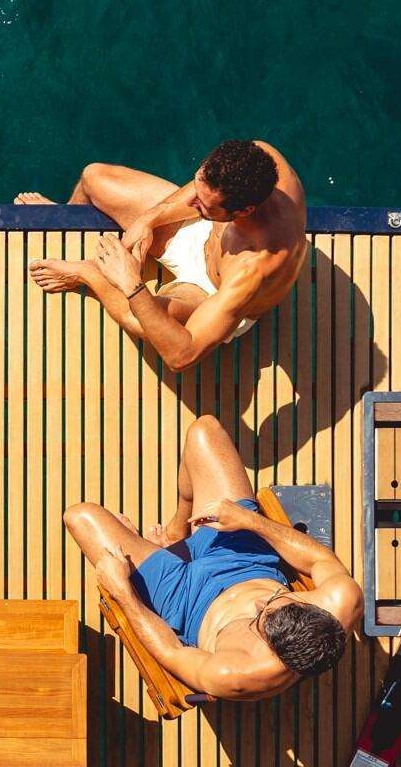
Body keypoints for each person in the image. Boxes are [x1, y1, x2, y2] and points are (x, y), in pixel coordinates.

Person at [62, 414, 358, 702]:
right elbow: (319, 559)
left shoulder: (236, 674)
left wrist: (123, 592)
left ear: (277, 655)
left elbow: (172, 652)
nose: (258, 603)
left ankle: (161, 549)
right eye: (275, 599)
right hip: (246, 559)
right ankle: (178, 528)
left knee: (80, 517)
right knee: (204, 431)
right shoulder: (341, 601)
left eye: (259, 619)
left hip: (183, 601)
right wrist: (250, 521)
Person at [21, 138, 307, 370]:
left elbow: (182, 355)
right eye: (197, 187)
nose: (192, 201)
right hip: (204, 233)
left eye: (205, 204)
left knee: (144, 315)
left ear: (244, 211)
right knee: (93, 176)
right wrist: (149, 219)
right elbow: (202, 195)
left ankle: (89, 273)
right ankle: (67, 217)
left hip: (211, 290)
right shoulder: (258, 157)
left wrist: (130, 282)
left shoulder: (253, 269)